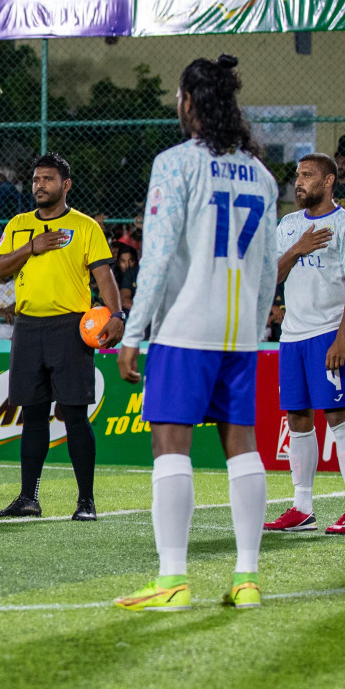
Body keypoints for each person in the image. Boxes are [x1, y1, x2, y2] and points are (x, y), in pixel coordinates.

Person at [115, 54, 278, 612]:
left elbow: (156, 257)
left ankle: (173, 580)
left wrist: (133, 332)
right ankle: (248, 578)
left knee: (170, 445)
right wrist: (255, 332)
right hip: (239, 331)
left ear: (190, 101)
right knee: (242, 447)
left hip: (185, 326)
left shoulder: (176, 163)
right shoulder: (261, 173)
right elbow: (267, 265)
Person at [0, 153, 124, 522]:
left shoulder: (84, 227)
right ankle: (28, 498)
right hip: (28, 327)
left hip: (70, 329)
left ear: (65, 185)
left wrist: (117, 315)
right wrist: (31, 247)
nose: (39, 185)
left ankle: (86, 502)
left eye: (48, 179)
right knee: (32, 415)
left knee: (75, 415)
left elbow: (104, 276)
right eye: (35, 179)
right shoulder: (18, 224)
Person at [262, 153, 345, 536]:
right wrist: (297, 249)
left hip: (330, 334)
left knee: (339, 418)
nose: (299, 182)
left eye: (308, 176)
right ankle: (302, 507)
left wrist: (343, 337)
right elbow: (270, 278)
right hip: (292, 337)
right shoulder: (289, 226)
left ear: (328, 181)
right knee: (297, 420)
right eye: (297, 175)